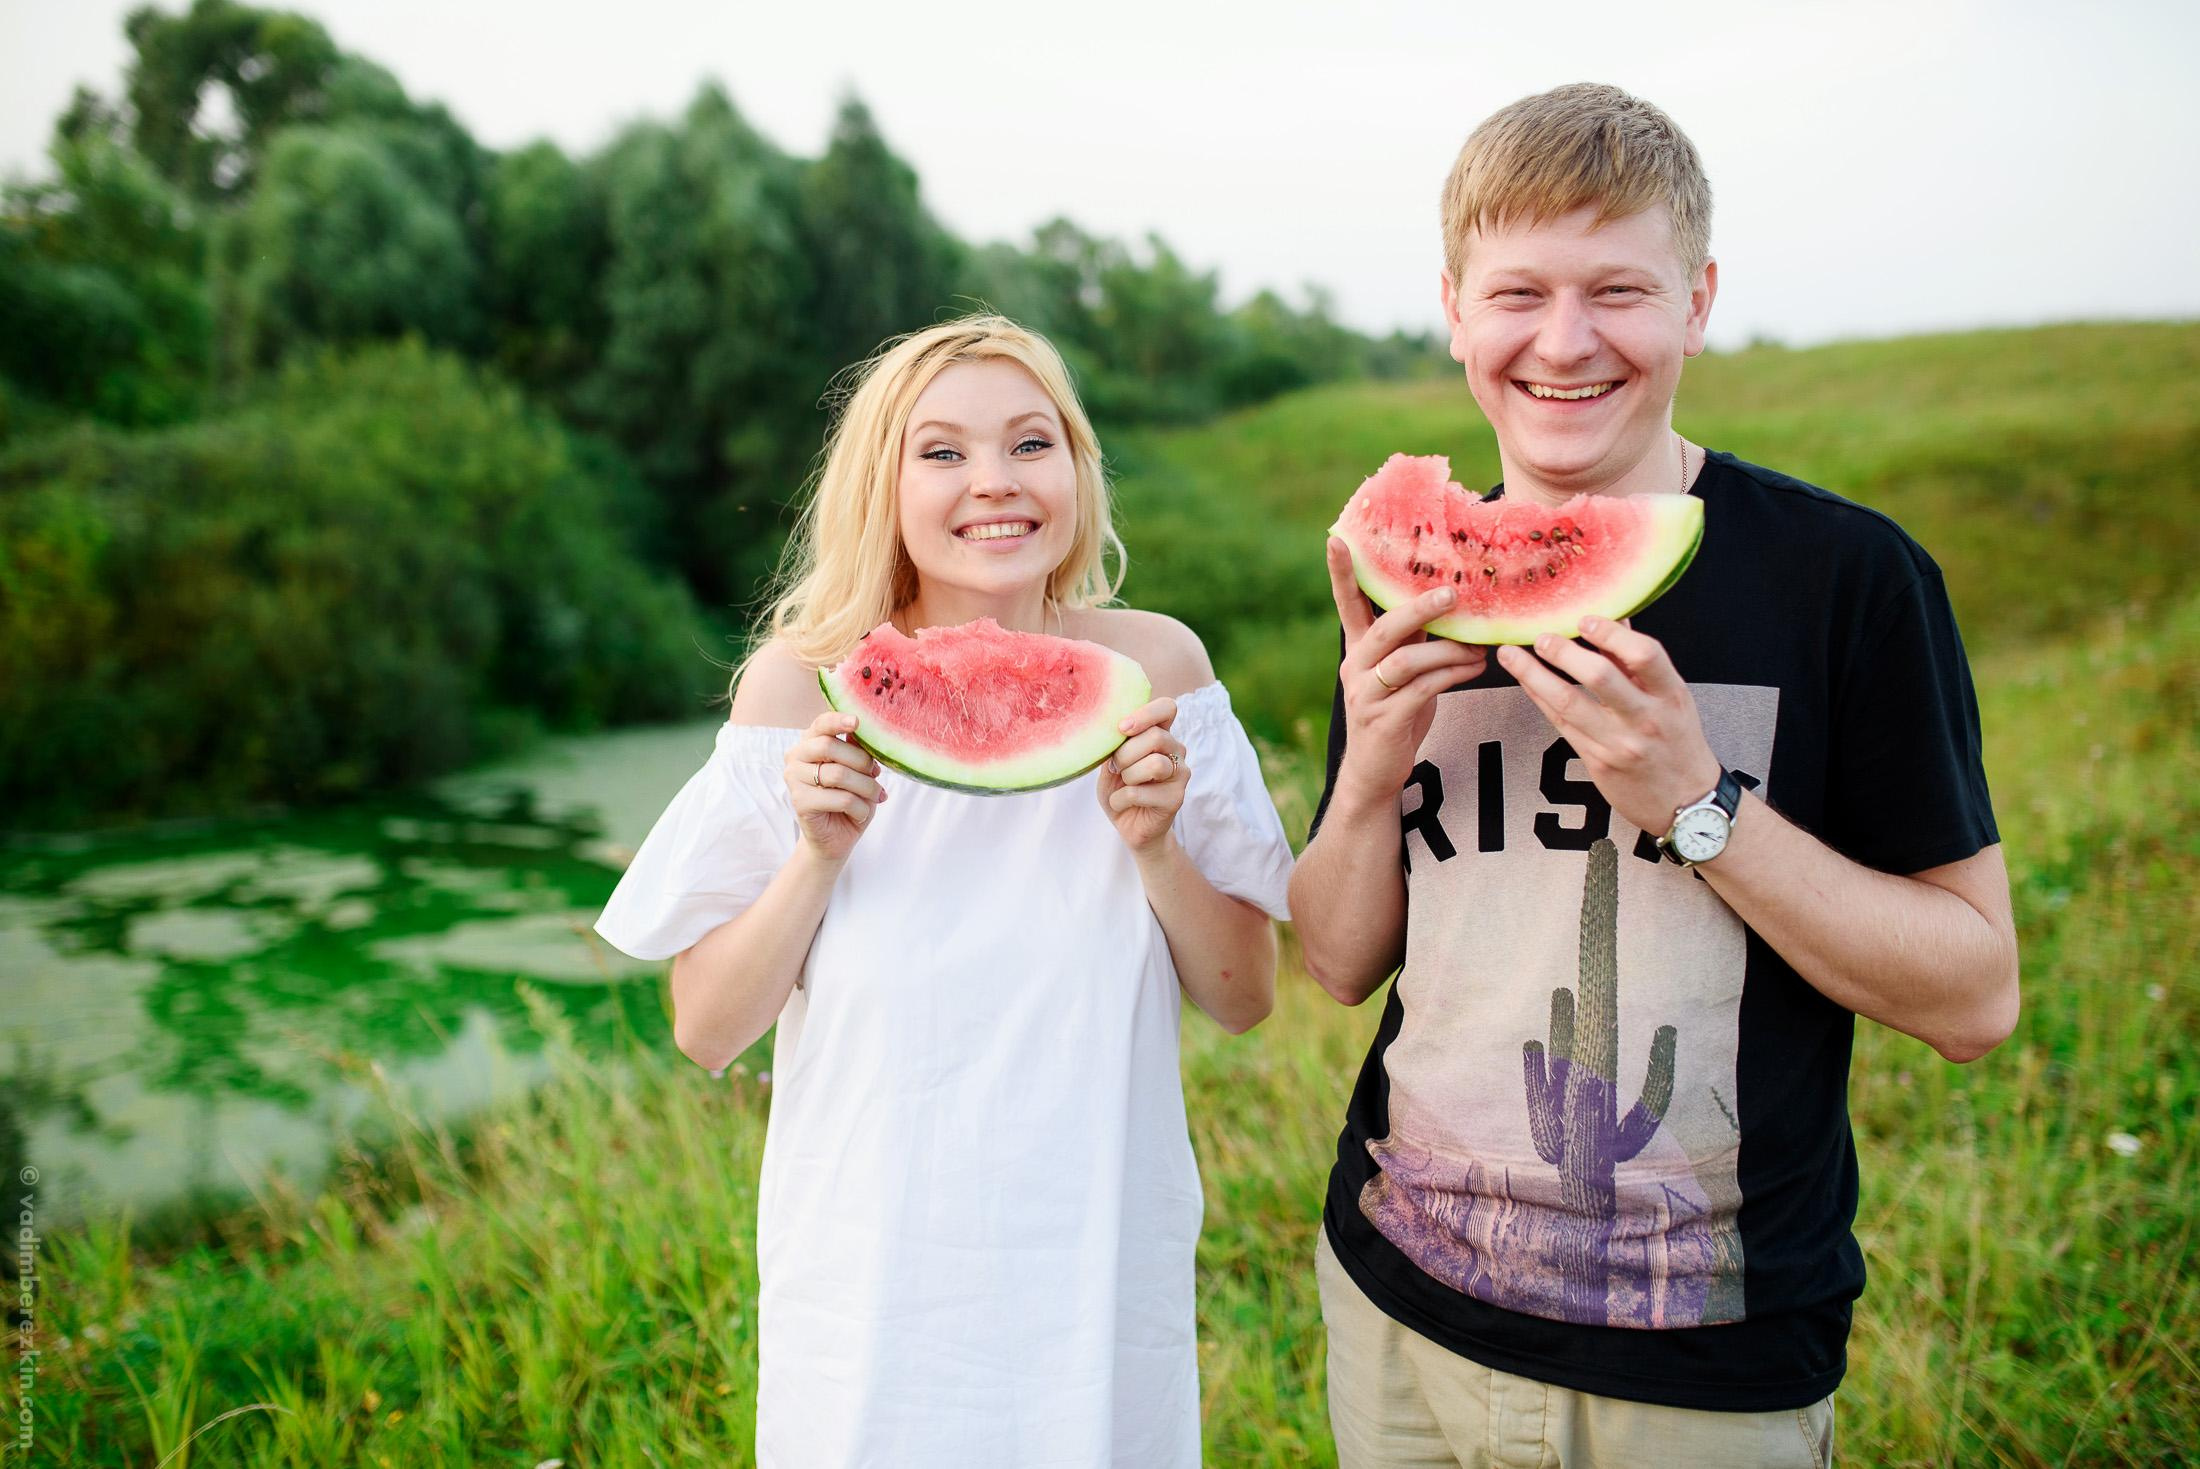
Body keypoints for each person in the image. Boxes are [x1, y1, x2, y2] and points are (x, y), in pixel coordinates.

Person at [1288, 84, 2019, 1467]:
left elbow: (1977, 994)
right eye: (1518, 293)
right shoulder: (1408, 579)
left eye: (1618, 289)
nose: (1563, 343)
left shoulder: (1847, 582)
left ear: (1699, 300)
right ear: (1455, 308)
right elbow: (1335, 963)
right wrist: (1372, 765)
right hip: (1398, 1310)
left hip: (1703, 1366)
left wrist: (1702, 803)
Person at [591, 314, 1293, 1468]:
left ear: (1076, 467)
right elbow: (707, 1026)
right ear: (885, 482)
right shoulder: (796, 688)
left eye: (1030, 443)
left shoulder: (1159, 672)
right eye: (943, 451)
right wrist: (817, 849)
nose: (994, 483)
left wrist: (1156, 845)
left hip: (1097, 1268)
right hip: (870, 1290)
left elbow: (1245, 994)